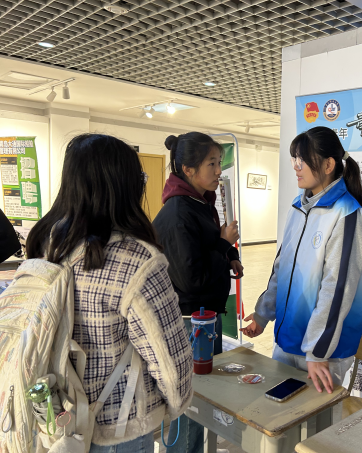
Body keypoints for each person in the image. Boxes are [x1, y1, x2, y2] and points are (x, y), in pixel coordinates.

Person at [26, 134, 193, 452]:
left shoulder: (46, 244)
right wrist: (174, 406)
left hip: (55, 414)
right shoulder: (138, 261)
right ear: (125, 186)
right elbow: (169, 362)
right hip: (118, 426)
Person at [241, 126, 362, 394]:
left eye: (303, 159)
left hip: (323, 353)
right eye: (294, 159)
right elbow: (282, 268)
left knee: (315, 419)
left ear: (328, 165)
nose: (296, 166)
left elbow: (338, 289)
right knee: (280, 412)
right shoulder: (298, 207)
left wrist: (317, 350)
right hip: (289, 339)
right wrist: (263, 314)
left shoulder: (346, 213)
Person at [153, 132, 242, 453]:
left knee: (201, 397)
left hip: (204, 318)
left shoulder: (199, 203)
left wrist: (229, 254)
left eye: (219, 163)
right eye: (211, 164)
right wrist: (223, 243)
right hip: (190, 323)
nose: (219, 171)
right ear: (188, 169)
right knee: (190, 404)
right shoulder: (179, 213)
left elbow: (204, 250)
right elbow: (192, 279)